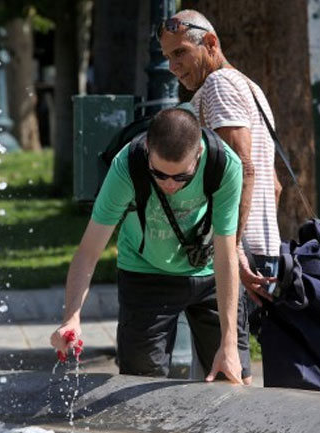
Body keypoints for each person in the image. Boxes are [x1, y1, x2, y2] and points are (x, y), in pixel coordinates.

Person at [50, 108, 250, 384]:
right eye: (159, 174)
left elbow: (227, 253)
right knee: (140, 384)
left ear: (199, 155)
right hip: (145, 273)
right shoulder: (127, 167)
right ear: (147, 151)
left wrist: (228, 343)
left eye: (182, 177)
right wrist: (71, 317)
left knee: (233, 376)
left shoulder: (224, 164)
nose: (169, 184)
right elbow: (88, 251)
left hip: (211, 273)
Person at [158, 10, 281, 320]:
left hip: (238, 254)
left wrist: (234, 249)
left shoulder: (219, 86)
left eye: (181, 52)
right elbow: (275, 186)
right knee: (231, 362)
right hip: (263, 249)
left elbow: (243, 167)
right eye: (168, 57)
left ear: (210, 43)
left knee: (222, 363)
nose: (173, 66)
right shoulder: (250, 87)